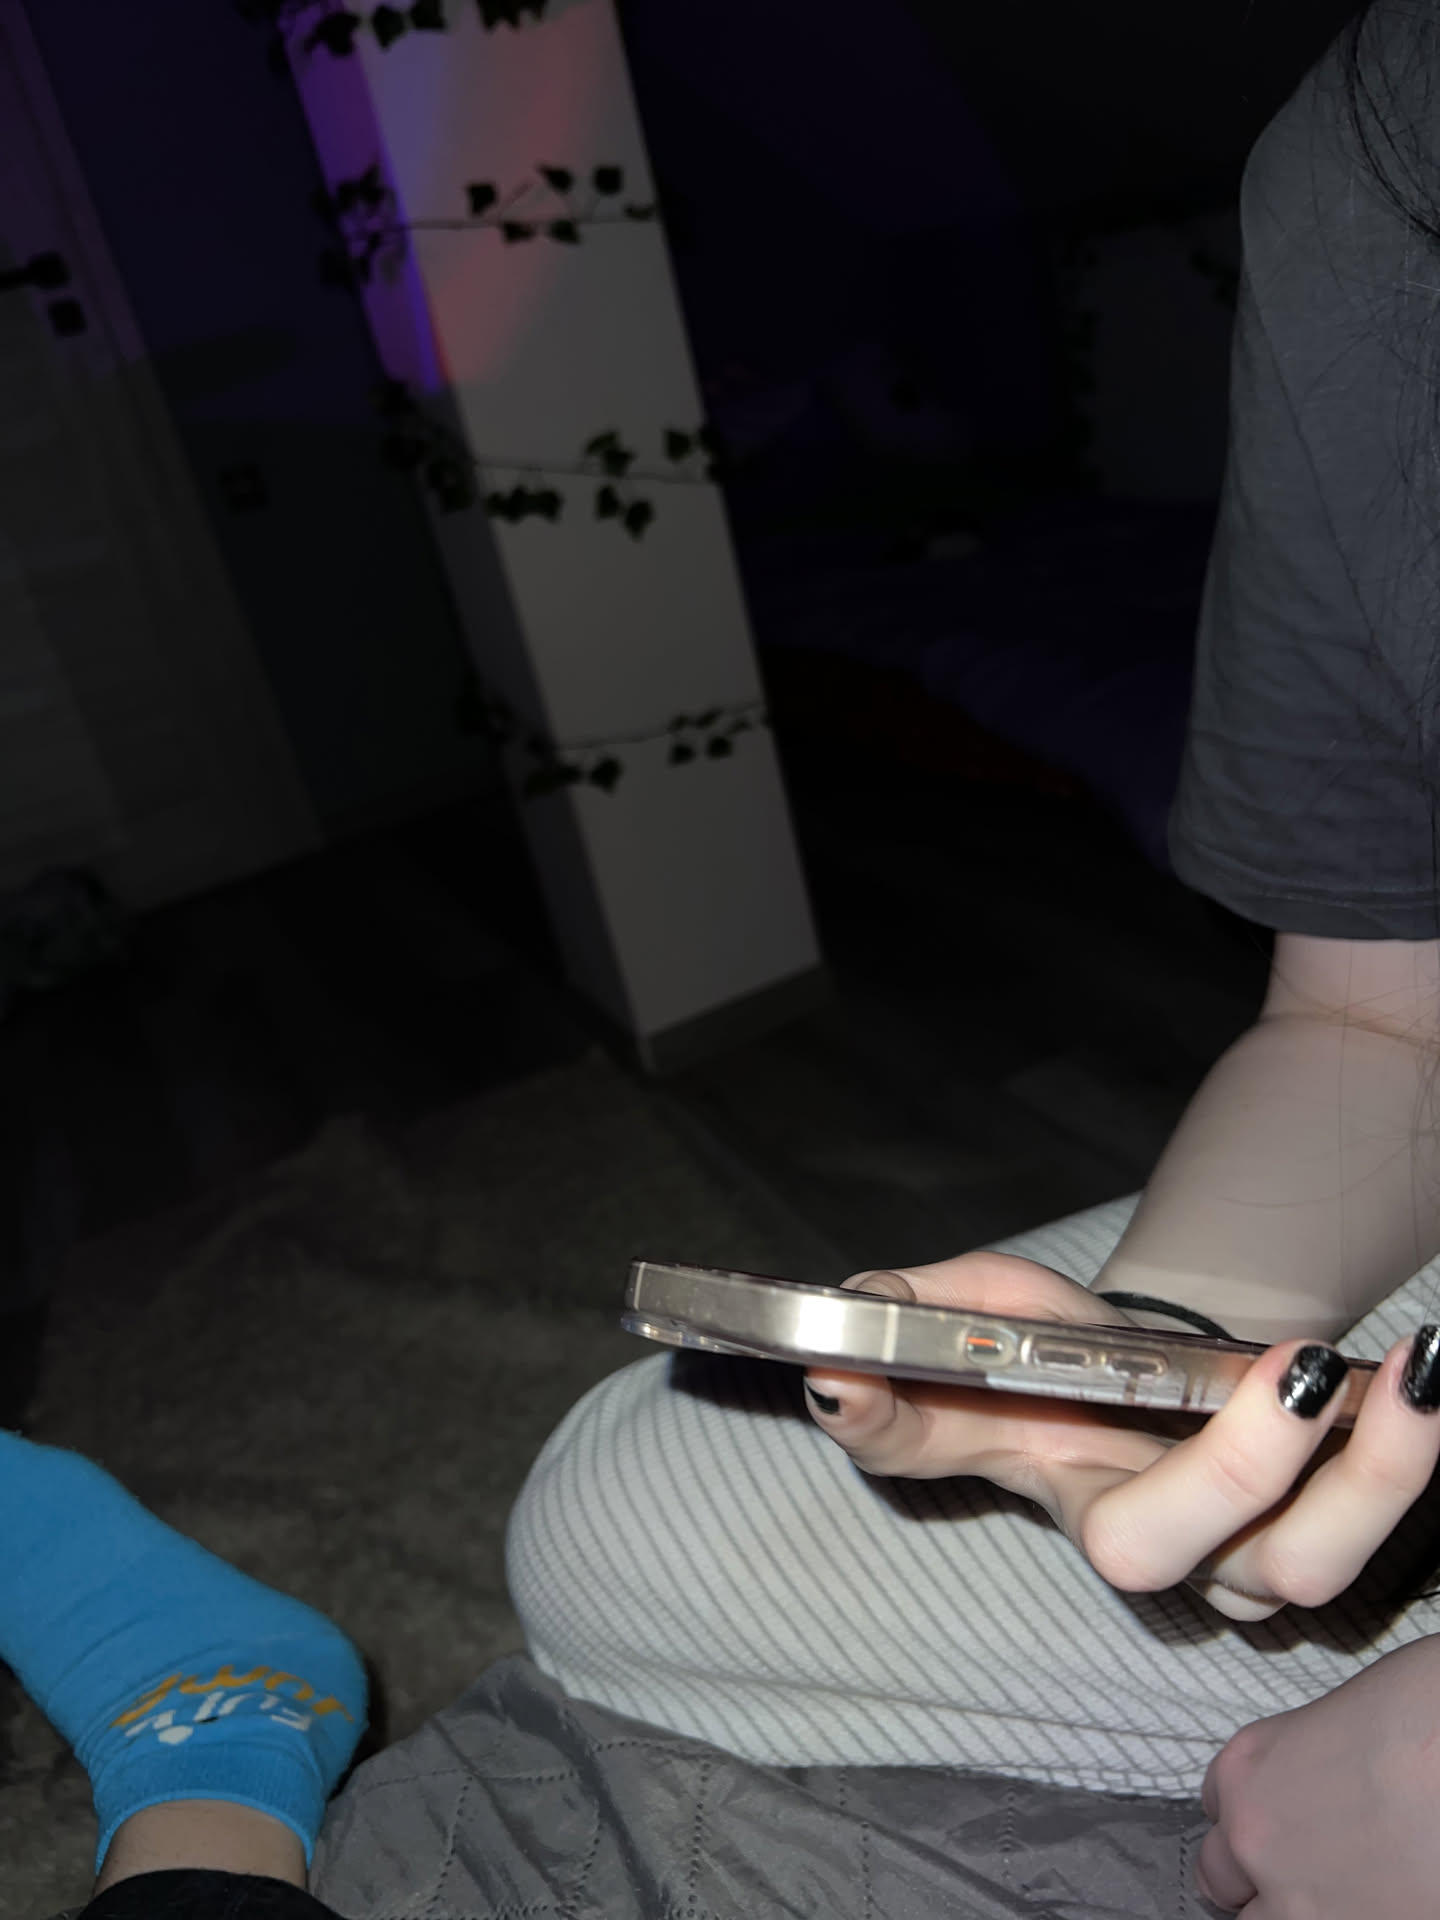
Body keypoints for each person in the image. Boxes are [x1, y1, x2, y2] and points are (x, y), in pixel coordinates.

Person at [17, 2, 1440, 1915]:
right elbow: (1380, 1019)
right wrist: (1159, 1358)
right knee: (626, 1504)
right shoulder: (1376, 172)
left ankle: (208, 1756)